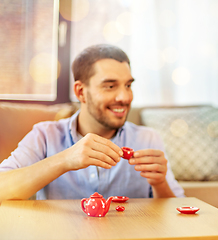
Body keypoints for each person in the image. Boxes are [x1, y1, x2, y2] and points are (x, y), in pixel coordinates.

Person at [0, 44, 184, 202]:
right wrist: (64, 160)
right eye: (110, 86)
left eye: (128, 85)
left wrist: (160, 184)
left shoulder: (148, 138)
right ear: (80, 92)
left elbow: (176, 209)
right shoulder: (45, 135)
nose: (124, 97)